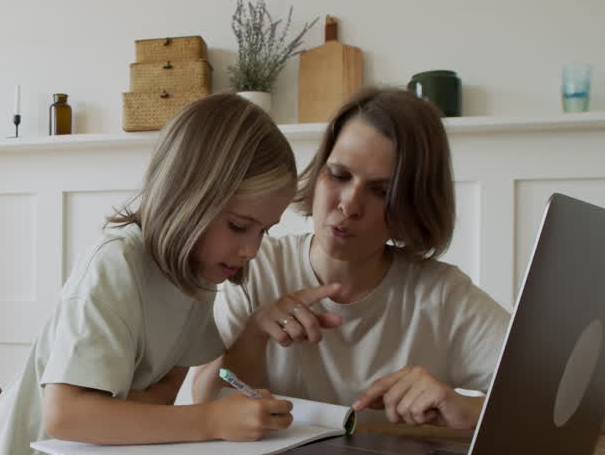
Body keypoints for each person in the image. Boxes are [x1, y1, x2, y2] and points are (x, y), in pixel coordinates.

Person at [0, 93, 299, 455]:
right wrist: (211, 420)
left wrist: (114, 416)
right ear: (187, 196)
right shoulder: (116, 263)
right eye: (239, 226)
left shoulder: (199, 276)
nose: (251, 250)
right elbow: (67, 416)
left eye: (264, 231)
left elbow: (162, 394)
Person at [192, 86, 510, 429]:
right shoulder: (255, 265)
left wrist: (466, 408)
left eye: (381, 191)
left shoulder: (443, 295)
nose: (349, 204)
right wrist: (254, 335)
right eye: (338, 175)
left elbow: (544, 399)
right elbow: (205, 406)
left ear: (413, 203)